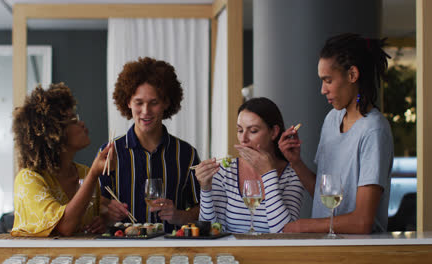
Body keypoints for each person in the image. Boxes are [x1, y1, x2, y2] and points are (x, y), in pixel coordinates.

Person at [279, 33, 394, 234]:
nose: (323, 90)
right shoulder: (332, 120)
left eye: (328, 80)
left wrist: (301, 226)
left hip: (357, 253)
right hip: (327, 248)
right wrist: (295, 162)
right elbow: (326, 198)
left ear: (352, 75)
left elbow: (362, 222)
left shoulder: (374, 131)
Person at [99, 57, 201, 233]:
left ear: (166, 103)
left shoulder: (186, 154)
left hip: (172, 250)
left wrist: (178, 216)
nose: (145, 111)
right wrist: (106, 211)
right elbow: (95, 205)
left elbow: (203, 209)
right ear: (128, 102)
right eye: (139, 102)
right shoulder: (109, 152)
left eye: (154, 102)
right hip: (123, 251)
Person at [11, 83, 112, 236]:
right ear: (53, 133)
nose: (82, 123)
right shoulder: (28, 179)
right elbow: (64, 226)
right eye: (73, 120)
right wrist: (94, 174)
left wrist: (99, 223)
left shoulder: (84, 173)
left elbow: (85, 224)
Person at [196, 97, 304, 233]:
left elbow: (283, 233)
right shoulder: (225, 171)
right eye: (240, 130)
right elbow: (211, 231)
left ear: (274, 132)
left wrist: (268, 174)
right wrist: (205, 189)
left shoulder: (291, 175)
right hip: (231, 254)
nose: (243, 139)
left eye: (253, 131)